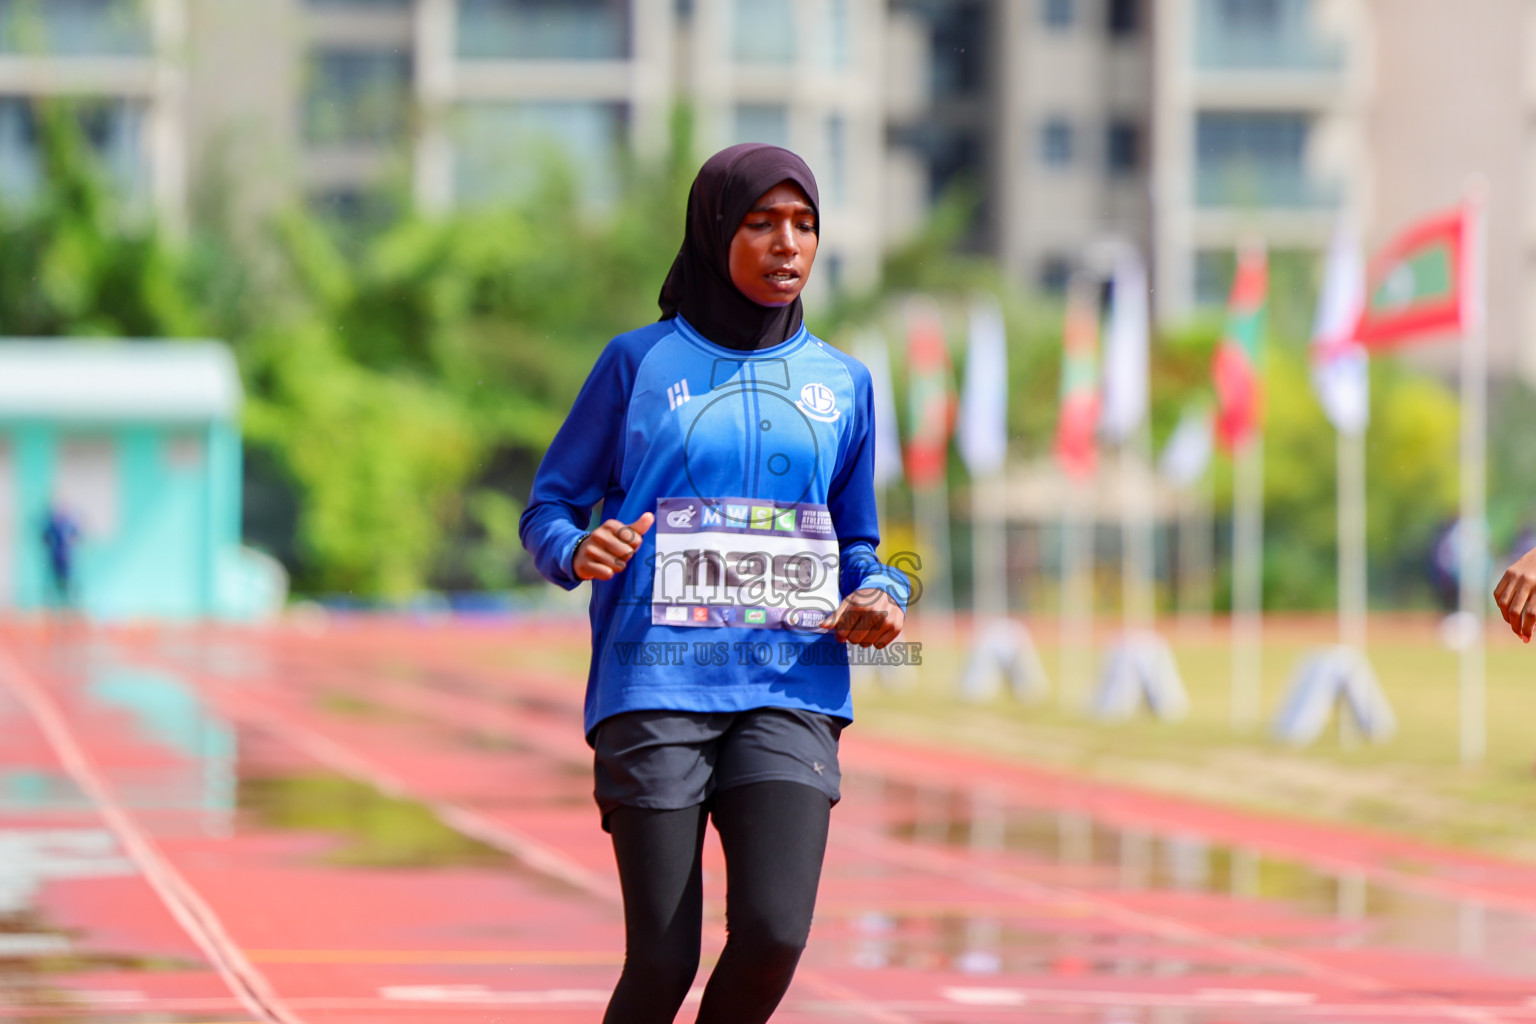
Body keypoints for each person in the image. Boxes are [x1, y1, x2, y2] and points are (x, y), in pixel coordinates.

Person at [519, 143, 908, 1024]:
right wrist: (578, 549)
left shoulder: (844, 383)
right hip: (653, 681)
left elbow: (858, 543)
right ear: (713, 231)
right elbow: (547, 508)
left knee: (773, 933)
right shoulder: (637, 364)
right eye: (763, 223)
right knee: (662, 961)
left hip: (790, 683)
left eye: (805, 225)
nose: (788, 245)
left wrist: (886, 594)